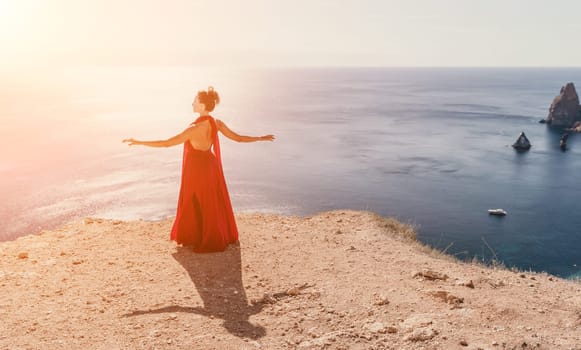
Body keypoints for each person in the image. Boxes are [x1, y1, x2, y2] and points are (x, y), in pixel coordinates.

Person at [123, 87, 275, 252]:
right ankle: (209, 235)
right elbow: (238, 138)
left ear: (202, 105)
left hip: (196, 169)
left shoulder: (193, 129)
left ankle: (198, 237)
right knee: (211, 202)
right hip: (211, 165)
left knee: (193, 200)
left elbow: (167, 143)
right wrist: (260, 138)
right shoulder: (216, 123)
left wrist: (140, 142)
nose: (192, 103)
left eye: (195, 101)